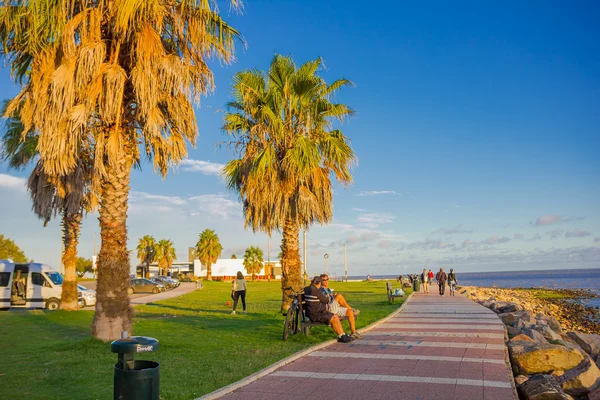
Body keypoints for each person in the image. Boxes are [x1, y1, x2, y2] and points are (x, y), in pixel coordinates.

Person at [304, 276, 354, 343]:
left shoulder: (307, 289)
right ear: (318, 283)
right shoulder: (316, 291)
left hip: (316, 312)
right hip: (316, 314)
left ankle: (342, 335)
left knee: (335, 316)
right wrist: (331, 297)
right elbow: (327, 301)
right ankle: (342, 336)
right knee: (333, 317)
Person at [320, 274, 361, 338]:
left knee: (349, 311)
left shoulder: (328, 289)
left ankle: (353, 332)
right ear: (320, 281)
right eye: (324, 280)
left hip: (333, 308)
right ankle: (353, 309)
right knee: (339, 296)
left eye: (327, 279)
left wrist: (333, 296)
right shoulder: (320, 289)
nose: (326, 281)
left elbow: (330, 298)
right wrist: (334, 297)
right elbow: (324, 300)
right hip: (328, 309)